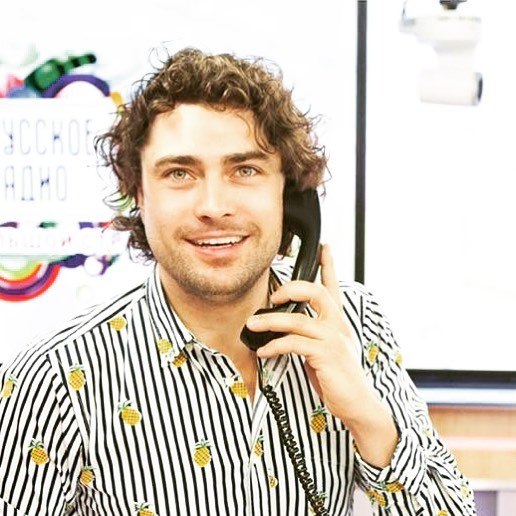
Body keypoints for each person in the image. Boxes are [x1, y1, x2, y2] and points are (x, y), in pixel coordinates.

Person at [0, 48, 475, 516]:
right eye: (179, 173)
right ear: (139, 194)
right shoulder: (50, 380)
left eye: (244, 170)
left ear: (290, 195)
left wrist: (369, 419)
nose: (214, 206)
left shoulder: (352, 323)